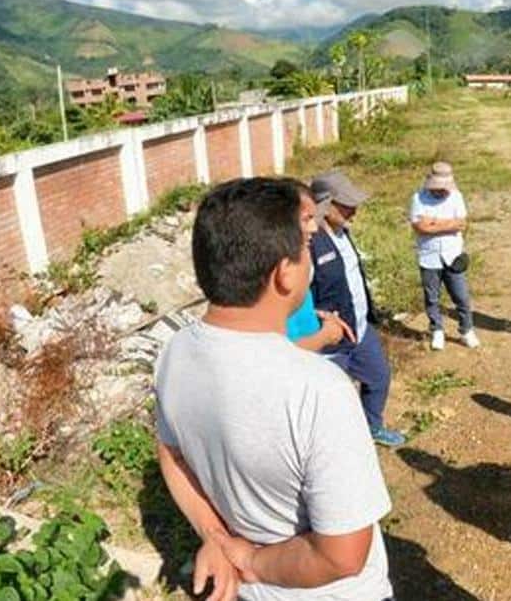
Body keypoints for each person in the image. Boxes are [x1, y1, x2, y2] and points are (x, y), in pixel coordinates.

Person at [155, 178, 393, 601]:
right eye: (304, 248)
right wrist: (249, 560)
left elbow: (170, 454)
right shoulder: (319, 389)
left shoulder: (175, 354)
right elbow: (342, 556)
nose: (310, 257)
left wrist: (216, 537)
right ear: (285, 274)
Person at [309, 169, 406, 447]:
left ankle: (372, 427)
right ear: (326, 205)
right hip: (330, 342)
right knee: (332, 404)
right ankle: (337, 450)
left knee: (378, 378)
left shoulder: (342, 232)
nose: (354, 211)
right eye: (347, 205)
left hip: (360, 330)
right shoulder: (309, 243)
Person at [409, 161, 479, 351]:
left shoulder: (456, 197)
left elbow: (460, 224)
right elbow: (420, 227)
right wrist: (446, 224)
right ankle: (437, 330)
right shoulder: (418, 198)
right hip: (429, 256)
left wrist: (433, 223)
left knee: (462, 296)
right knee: (432, 297)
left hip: (453, 254)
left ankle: (466, 329)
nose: (440, 191)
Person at [286, 185, 355, 351]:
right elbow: (281, 352)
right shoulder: (273, 274)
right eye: (306, 219)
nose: (314, 227)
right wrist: (325, 336)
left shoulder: (298, 258)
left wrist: (318, 313)